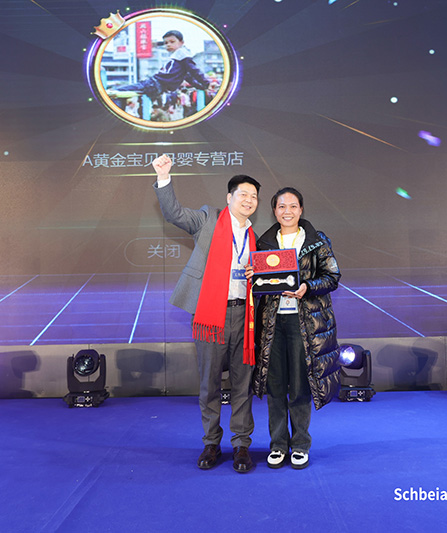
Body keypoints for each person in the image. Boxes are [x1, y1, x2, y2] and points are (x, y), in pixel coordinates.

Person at [152, 154, 261, 473]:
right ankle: (211, 443)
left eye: (254, 196)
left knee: (242, 385)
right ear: (229, 197)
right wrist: (163, 177)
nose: (249, 200)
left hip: (244, 318)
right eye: (243, 194)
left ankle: (241, 445)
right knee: (210, 384)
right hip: (211, 316)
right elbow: (173, 213)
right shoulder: (207, 219)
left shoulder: (254, 236)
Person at [248, 187, 341, 470]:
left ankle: (300, 445)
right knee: (275, 386)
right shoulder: (263, 243)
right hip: (273, 323)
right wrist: (253, 275)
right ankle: (278, 444)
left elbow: (332, 276)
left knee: (300, 386)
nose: (287, 211)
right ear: (274, 211)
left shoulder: (316, 240)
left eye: (292, 206)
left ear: (301, 210)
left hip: (306, 324)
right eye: (281, 206)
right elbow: (258, 284)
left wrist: (307, 287)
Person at [111, 30, 215, 101]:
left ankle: (115, 91)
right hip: (157, 85)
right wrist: (201, 86)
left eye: (172, 42)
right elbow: (188, 77)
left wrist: (206, 84)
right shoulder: (176, 58)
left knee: (134, 88)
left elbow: (194, 71)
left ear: (181, 43)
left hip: (156, 84)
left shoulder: (182, 54)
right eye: (166, 43)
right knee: (135, 89)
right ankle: (115, 91)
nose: (168, 45)